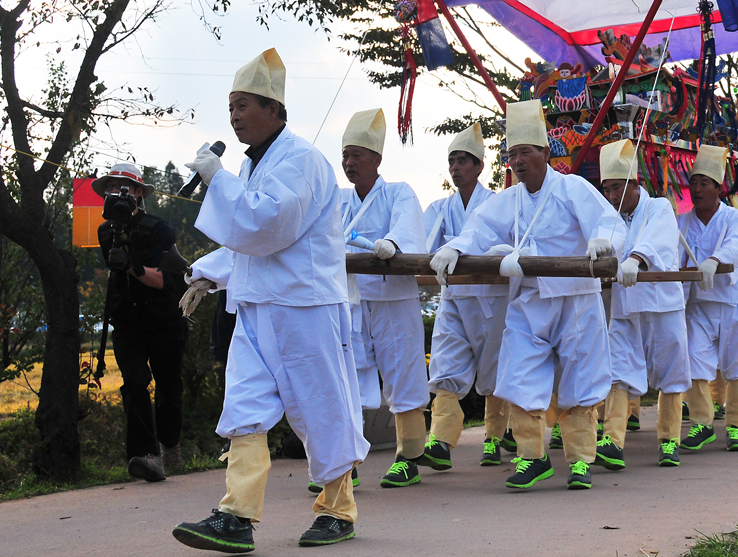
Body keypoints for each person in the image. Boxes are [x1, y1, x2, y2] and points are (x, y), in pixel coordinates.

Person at [173, 49, 368, 551]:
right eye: (230, 107)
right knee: (245, 405)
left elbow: (267, 224)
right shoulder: (253, 166)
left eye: (242, 106)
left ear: (274, 109)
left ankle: (338, 510)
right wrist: (208, 274)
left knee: (321, 407)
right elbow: (248, 238)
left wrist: (218, 179)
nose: (234, 117)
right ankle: (236, 514)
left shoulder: (301, 159)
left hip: (304, 308)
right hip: (257, 306)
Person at [431, 99, 625, 491]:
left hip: (574, 299)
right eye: (512, 154)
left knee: (581, 378)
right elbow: (479, 230)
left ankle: (581, 461)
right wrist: (455, 247)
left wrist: (603, 241)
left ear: (544, 153)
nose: (518, 161)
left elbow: (608, 221)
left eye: (525, 152)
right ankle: (532, 457)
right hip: (529, 300)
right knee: (518, 375)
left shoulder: (571, 187)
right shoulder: (509, 199)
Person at [339, 109, 429, 488]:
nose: (349, 163)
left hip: (392, 298)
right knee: (348, 375)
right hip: (352, 300)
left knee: (403, 371)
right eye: (345, 156)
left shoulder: (398, 192)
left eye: (357, 155)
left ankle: (409, 456)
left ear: (376, 159)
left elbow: (407, 227)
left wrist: (392, 242)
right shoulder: (339, 201)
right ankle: (346, 461)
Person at [596, 139, 691, 469]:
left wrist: (636, 258)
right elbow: (606, 243)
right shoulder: (609, 218)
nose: (612, 196)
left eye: (617, 187)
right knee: (618, 370)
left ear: (635, 184)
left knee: (670, 371)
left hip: (661, 305)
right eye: (607, 189)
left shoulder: (659, 207)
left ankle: (669, 441)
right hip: (625, 305)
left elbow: (658, 238)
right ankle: (612, 441)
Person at [422, 124, 510, 470]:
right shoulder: (440, 208)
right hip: (453, 299)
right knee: (446, 365)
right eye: (452, 161)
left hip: (491, 301)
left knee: (494, 368)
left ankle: (494, 438)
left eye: (463, 161)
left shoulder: (498, 204)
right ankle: (440, 441)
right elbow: (423, 245)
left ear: (479, 167)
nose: (456, 168)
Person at [95, 163, 187, 483]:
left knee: (169, 387)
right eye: (110, 187)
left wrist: (131, 266)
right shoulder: (105, 232)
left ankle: (170, 445)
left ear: (137, 193)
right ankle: (146, 456)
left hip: (164, 319)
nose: (115, 192)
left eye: (122, 187)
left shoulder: (159, 229)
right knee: (134, 383)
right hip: (128, 321)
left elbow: (162, 280)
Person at [676, 145, 738, 452]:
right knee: (695, 362)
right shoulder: (681, 222)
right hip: (698, 303)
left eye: (704, 183)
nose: (697, 189)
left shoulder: (737, 218)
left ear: (719, 188)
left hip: (735, 301)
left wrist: (714, 260)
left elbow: (737, 246)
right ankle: (702, 423)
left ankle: (736, 426)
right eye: (693, 183)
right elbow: (673, 256)